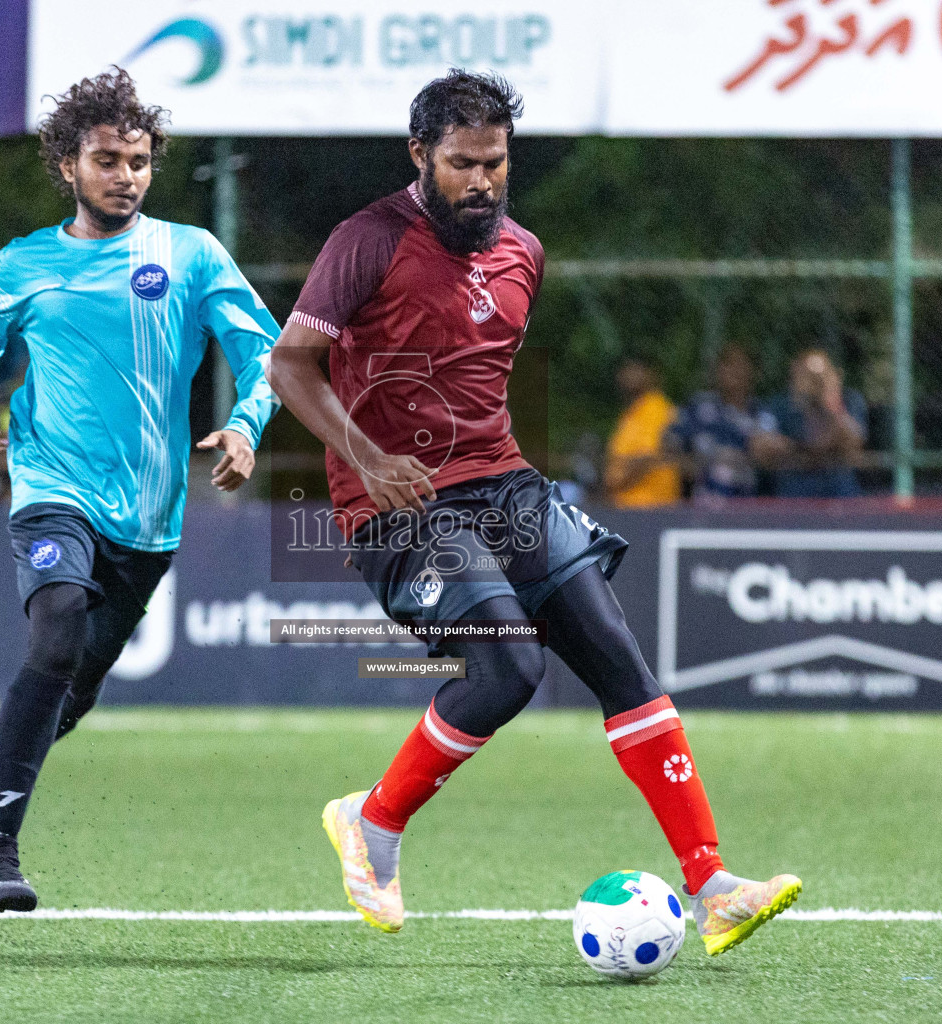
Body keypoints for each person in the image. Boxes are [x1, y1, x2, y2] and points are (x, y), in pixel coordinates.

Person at [266, 70, 801, 954]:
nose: (481, 181)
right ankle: (373, 823)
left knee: (619, 660)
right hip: (395, 502)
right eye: (461, 164)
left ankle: (711, 885)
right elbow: (292, 367)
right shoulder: (367, 240)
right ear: (420, 156)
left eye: (495, 163)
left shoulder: (525, 252)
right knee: (509, 670)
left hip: (504, 484)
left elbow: (476, 391)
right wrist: (368, 454)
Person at [0, 69, 280, 912]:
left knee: (74, 684)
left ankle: (4, 779)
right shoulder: (25, 261)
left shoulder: (191, 253)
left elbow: (265, 354)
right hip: (51, 485)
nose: (125, 175)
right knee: (54, 631)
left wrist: (245, 426)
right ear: (68, 164)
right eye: (106, 159)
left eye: (138, 160)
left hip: (149, 518)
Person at [669, 344, 781, 501]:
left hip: (747, 507)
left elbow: (768, 457)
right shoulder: (697, 406)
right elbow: (670, 445)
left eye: (740, 365)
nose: (733, 371)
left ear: (753, 372)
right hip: (702, 505)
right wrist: (692, 465)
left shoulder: (762, 414)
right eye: (727, 364)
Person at [762, 348, 868, 498]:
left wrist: (831, 404)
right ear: (795, 375)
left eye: (819, 377)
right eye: (807, 376)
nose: (814, 383)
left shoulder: (850, 400)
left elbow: (854, 441)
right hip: (794, 494)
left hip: (839, 493)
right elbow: (761, 446)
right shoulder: (778, 404)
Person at [603, 357, 681, 507]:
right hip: (625, 506)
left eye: (636, 369)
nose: (629, 375)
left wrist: (613, 484)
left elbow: (649, 458)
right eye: (626, 369)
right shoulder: (630, 414)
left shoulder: (656, 408)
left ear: (651, 374)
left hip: (649, 508)